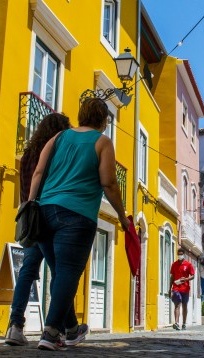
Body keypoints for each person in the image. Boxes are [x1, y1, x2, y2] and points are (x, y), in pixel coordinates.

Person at [29, 98, 131, 351]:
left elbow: (39, 172)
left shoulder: (59, 137)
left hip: (44, 212)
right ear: (104, 120)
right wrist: (121, 216)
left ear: (81, 114)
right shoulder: (102, 142)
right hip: (76, 215)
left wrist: (31, 204)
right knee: (67, 274)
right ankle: (52, 333)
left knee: (60, 274)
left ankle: (72, 330)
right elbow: (108, 183)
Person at [5, 113, 71, 347]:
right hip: (49, 216)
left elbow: (25, 189)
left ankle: (15, 325)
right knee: (60, 271)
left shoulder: (27, 154)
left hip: (30, 219)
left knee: (27, 271)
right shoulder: (53, 154)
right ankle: (59, 329)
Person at [170, 247, 195, 330]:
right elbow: (172, 277)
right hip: (176, 287)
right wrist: (170, 288)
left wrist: (186, 279)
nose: (180, 256)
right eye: (178, 254)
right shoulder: (174, 264)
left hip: (185, 289)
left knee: (184, 305)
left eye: (181, 254)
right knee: (177, 304)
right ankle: (176, 323)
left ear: (184, 255)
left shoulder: (188, 265)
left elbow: (192, 276)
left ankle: (184, 323)